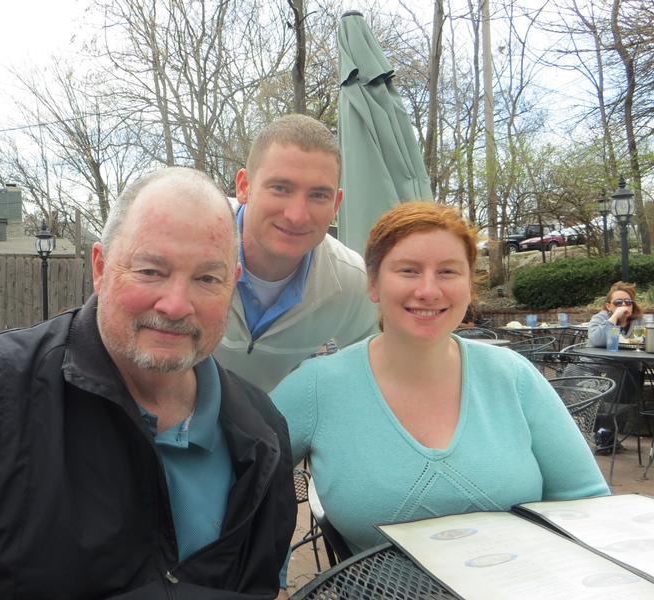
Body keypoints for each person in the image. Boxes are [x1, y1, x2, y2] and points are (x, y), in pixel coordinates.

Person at [0, 168, 296, 600]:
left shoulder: (263, 434)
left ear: (233, 285)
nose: (176, 304)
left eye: (207, 278)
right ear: (100, 268)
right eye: (150, 271)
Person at [272, 201, 609, 555]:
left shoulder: (513, 376)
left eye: (448, 272)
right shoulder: (318, 386)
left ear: (469, 285)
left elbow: (586, 502)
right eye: (408, 270)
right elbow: (246, 493)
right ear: (373, 283)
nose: (429, 290)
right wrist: (271, 577)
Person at [213, 114, 378, 392]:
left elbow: (370, 378)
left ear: (336, 204)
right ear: (244, 187)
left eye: (318, 195)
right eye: (280, 188)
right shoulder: (189, 241)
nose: (297, 216)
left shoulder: (351, 281)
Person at [588, 281, 644, 347]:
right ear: (608, 306)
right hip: (600, 354)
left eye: (628, 302)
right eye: (618, 302)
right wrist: (615, 316)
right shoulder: (600, 318)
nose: (624, 304)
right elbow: (596, 341)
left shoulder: (639, 320)